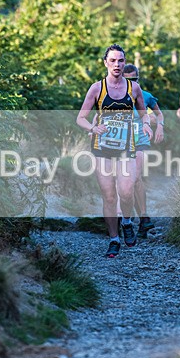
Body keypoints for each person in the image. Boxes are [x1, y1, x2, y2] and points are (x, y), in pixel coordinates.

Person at [76, 44, 152, 258]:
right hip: (102, 149)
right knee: (109, 196)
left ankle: (127, 221)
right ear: (105, 63)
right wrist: (93, 127)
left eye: (120, 61)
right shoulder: (96, 88)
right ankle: (113, 239)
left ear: (124, 62)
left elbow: (143, 112)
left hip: (126, 147)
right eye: (113, 61)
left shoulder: (133, 88)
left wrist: (146, 123)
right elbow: (80, 118)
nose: (117, 65)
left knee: (126, 191)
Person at [122, 64, 164, 238]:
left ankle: (144, 217)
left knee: (135, 178)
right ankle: (138, 220)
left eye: (134, 79)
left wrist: (160, 127)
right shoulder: (113, 96)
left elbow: (159, 114)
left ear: (138, 79)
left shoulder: (145, 96)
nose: (131, 83)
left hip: (140, 140)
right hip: (119, 143)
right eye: (127, 80)